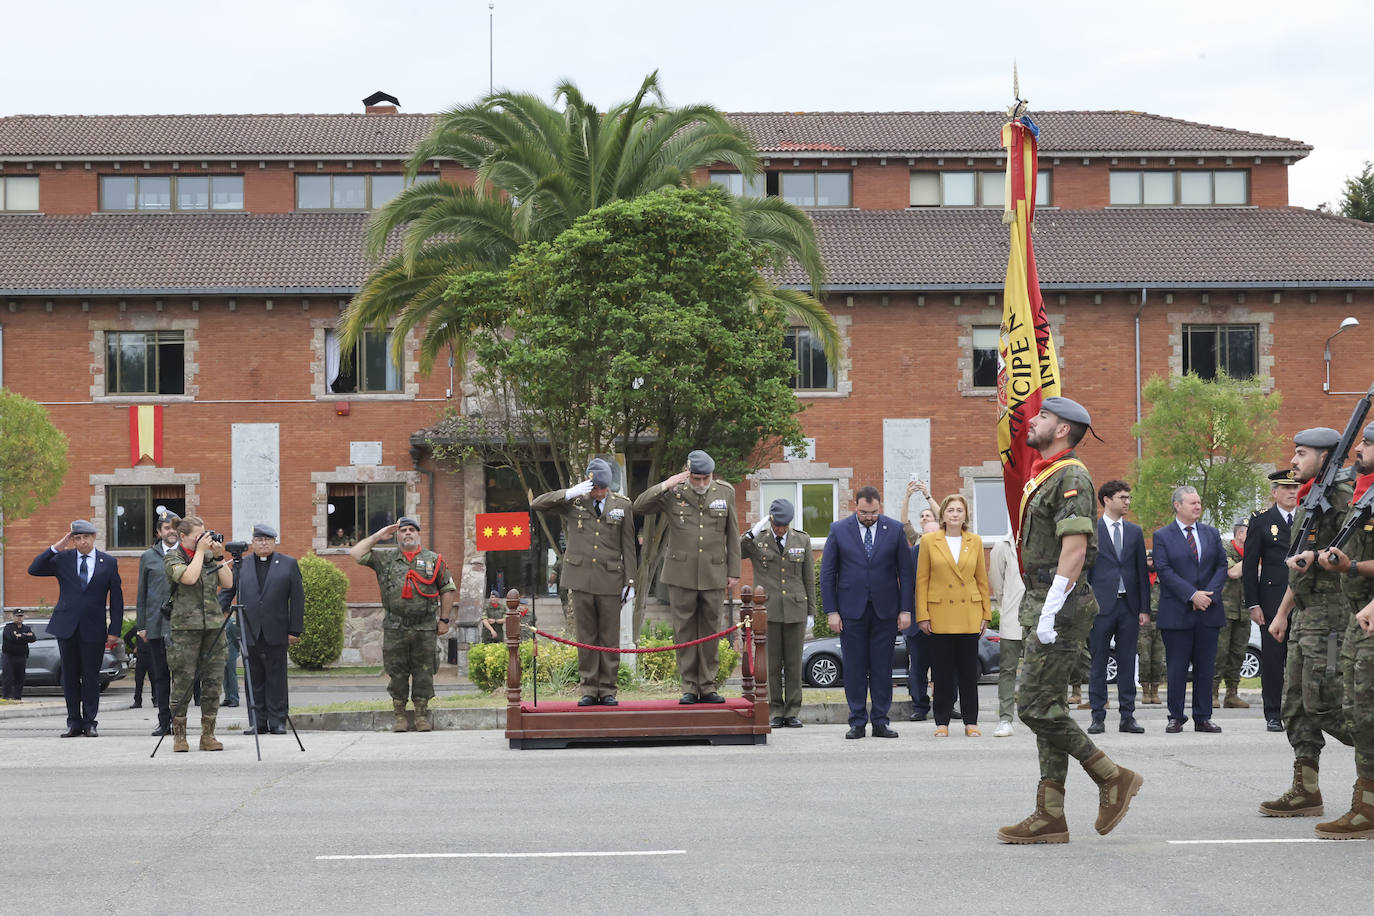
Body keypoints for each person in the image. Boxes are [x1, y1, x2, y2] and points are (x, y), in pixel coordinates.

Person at [998, 397, 1141, 845]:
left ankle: (1110, 775)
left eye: (1042, 417)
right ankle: (1050, 814)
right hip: (1044, 598)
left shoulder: (1072, 475)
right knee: (1050, 703)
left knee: (1033, 706)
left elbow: (1075, 547)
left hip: (1058, 602)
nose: (1032, 421)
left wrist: (1052, 605)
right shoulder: (1046, 473)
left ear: (1062, 429)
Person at [1261, 427, 1357, 817]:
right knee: (1296, 705)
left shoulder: (1343, 498)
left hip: (1332, 616)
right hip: (1305, 614)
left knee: (1327, 704)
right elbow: (1300, 563)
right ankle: (1306, 790)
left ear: (1325, 457)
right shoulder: (1310, 499)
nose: (1294, 461)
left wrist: (1317, 560)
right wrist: (1284, 612)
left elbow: (1346, 557)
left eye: (1302, 454)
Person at [633, 450, 740, 705]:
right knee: (684, 631)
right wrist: (665, 484)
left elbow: (732, 533)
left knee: (711, 630)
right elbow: (639, 505)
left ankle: (709, 685)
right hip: (681, 573)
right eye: (696, 478)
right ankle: (690, 686)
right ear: (687, 474)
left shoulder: (725, 492)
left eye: (706, 478)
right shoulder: (674, 492)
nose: (701, 484)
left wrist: (734, 571)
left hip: (714, 573)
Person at [531, 458, 636, 706]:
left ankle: (608, 689)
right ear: (588, 484)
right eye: (595, 488)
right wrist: (568, 492)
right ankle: (589, 688)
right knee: (586, 636)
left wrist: (630, 582)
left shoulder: (622, 506)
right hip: (580, 579)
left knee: (609, 637)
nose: (599, 492)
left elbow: (629, 546)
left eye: (602, 488)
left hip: (611, 579)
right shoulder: (574, 502)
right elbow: (537, 504)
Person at [1312, 423, 1374, 837]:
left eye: (1369, 444)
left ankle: (1366, 808)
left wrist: (1350, 567)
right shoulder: (1362, 492)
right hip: (1358, 616)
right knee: (1354, 709)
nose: (1361, 449)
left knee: (1365, 712)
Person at [820, 485, 914, 739]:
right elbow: (827, 574)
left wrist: (906, 610)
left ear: (879, 507)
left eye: (873, 512)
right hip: (851, 611)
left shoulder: (894, 530)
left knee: (882, 667)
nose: (868, 517)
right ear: (856, 506)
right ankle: (857, 721)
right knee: (854, 667)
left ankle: (881, 721)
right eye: (864, 512)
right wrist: (831, 611)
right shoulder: (839, 530)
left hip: (885, 611)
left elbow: (905, 573)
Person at [351, 516, 455, 732]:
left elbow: (447, 589)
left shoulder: (433, 560)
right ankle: (399, 715)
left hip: (425, 626)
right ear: (397, 535)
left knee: (424, 672)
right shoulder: (386, 559)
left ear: (418, 534)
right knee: (397, 672)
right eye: (403, 530)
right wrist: (379, 536)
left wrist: (444, 619)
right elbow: (356, 553)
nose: (408, 533)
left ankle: (421, 715)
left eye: (412, 530)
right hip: (395, 626)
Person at [26, 520, 123, 738]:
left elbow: (117, 600)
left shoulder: (107, 562)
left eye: (85, 537)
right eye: (77, 538)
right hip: (66, 626)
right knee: (69, 677)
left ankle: (90, 722)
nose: (81, 542)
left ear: (93, 537)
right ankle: (73, 722)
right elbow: (34, 569)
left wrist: (114, 629)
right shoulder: (63, 559)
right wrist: (55, 548)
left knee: (91, 676)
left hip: (94, 628)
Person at [1152, 485, 1227, 734]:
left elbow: (1221, 566)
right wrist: (1191, 595)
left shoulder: (1211, 533)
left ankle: (1203, 717)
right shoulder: (1163, 535)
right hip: (1178, 612)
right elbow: (1164, 570)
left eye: (1198, 503)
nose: (1197, 507)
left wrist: (1207, 595)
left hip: (1208, 611)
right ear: (1178, 505)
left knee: (1205, 668)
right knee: (1177, 667)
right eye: (1192, 503)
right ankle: (1176, 715)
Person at [916, 494, 990, 737]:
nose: (955, 514)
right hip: (940, 613)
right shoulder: (929, 541)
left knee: (969, 673)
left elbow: (981, 580)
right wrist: (923, 615)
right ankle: (942, 722)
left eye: (959, 510)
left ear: (966, 514)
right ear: (943, 514)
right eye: (951, 510)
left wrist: (985, 614)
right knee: (942, 673)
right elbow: (922, 580)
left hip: (969, 611)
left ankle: (971, 721)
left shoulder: (975, 541)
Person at [221, 524, 304, 735]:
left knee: (276, 679)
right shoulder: (241, 564)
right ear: (252, 542)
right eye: (259, 540)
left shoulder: (288, 564)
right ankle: (257, 722)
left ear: (274, 542)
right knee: (253, 678)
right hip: (249, 629)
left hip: (277, 629)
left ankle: (277, 721)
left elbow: (297, 600)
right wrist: (217, 610)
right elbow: (229, 590)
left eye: (268, 539)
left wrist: (295, 630)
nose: (263, 543)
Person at [741, 497, 815, 728]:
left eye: (784, 525)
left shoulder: (801, 539)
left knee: (793, 663)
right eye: (776, 525)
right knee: (771, 664)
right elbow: (736, 550)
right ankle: (775, 710)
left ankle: (792, 711)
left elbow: (808, 578)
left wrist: (811, 611)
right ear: (771, 521)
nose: (780, 529)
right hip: (768, 610)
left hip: (795, 609)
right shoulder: (758, 541)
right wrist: (751, 532)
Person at [164, 516, 234, 752]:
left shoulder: (208, 556)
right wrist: (200, 553)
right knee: (182, 683)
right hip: (185, 629)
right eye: (198, 536)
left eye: (205, 534)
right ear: (183, 537)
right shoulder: (173, 557)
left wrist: (218, 556)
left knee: (213, 682)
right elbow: (189, 577)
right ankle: (180, 736)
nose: (204, 539)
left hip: (213, 627)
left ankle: (208, 735)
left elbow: (228, 583)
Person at [1086, 480, 1149, 735]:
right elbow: (1086, 569)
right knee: (1098, 662)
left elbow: (1141, 573)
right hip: (1101, 608)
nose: (1127, 502)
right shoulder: (1092, 530)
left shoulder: (1134, 532)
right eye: (1122, 497)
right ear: (1107, 500)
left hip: (1129, 607)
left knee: (1127, 662)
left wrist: (1144, 608)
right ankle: (1097, 716)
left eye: (1128, 498)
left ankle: (1128, 716)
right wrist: (1086, 605)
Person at [1244, 469, 1301, 732]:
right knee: (1273, 658)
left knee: (1301, 658)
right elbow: (1249, 564)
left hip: (1303, 599)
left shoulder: (1308, 517)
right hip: (1272, 600)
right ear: (1274, 492)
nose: (1292, 492)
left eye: (1295, 487)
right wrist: (1253, 603)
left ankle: (1300, 711)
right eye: (1286, 488)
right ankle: (1274, 712)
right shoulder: (1262, 520)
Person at [135, 511, 178, 736]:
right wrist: (141, 625)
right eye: (166, 527)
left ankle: (180, 720)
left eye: (174, 527)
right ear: (158, 532)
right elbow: (142, 594)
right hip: (156, 626)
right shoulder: (149, 557)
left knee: (181, 676)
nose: (171, 531)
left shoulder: (187, 553)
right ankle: (164, 721)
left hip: (180, 626)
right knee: (160, 676)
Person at [987, 537, 1024, 736]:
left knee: (1042, 668)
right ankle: (1005, 718)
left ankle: (1043, 716)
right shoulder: (1004, 544)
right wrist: (1005, 603)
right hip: (1013, 615)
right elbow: (996, 580)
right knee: (1008, 670)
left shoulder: (1044, 536)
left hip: (1041, 616)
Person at [1213, 520, 1251, 710]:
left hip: (1244, 610)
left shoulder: (1251, 555)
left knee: (1238, 654)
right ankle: (1212, 693)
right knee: (1219, 653)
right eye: (1249, 532)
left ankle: (1231, 694)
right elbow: (1233, 572)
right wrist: (1254, 557)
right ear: (1239, 534)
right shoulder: (1225, 548)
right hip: (1225, 609)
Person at [906, 515, 940, 721]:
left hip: (944, 623)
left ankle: (945, 703)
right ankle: (919, 705)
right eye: (928, 536)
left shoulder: (949, 555)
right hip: (917, 624)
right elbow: (906, 589)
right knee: (917, 668)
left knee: (945, 668)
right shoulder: (911, 555)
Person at [1137, 551, 1165, 705]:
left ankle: (1155, 691)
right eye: (1148, 560)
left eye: (1153, 560)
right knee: (1145, 658)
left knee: (1159, 659)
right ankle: (1145, 691)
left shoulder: (1163, 580)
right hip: (1144, 623)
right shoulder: (1141, 580)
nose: (1151, 563)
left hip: (1161, 622)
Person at [2, 610, 38, 700]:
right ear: (13, 617)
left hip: (21, 657)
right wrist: (25, 636)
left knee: (20, 678)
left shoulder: (26, 628)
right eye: (17, 616)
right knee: (8, 678)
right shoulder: (8, 627)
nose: (19, 617)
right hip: (9, 657)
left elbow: (33, 638)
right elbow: (10, 637)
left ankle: (17, 698)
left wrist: (20, 635)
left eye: (21, 616)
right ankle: (6, 697)